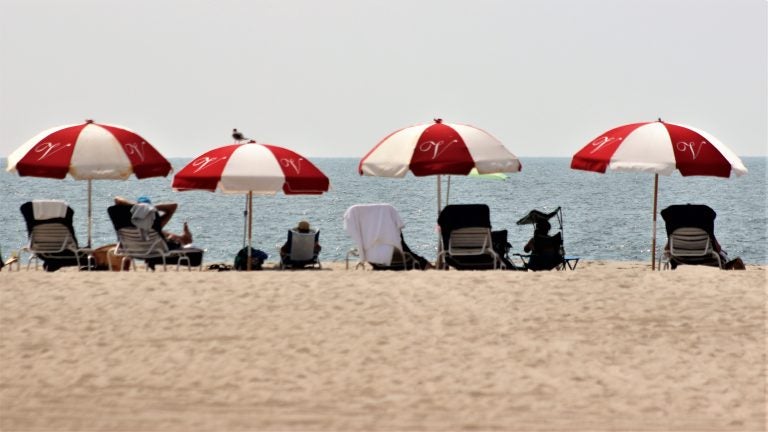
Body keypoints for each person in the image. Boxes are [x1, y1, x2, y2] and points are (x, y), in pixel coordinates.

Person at [114, 196, 193, 247]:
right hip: (152, 247)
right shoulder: (152, 223)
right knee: (161, 233)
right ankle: (184, 239)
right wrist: (150, 208)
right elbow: (174, 206)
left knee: (159, 232)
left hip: (135, 247)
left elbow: (117, 199)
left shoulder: (127, 224)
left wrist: (137, 208)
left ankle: (184, 238)